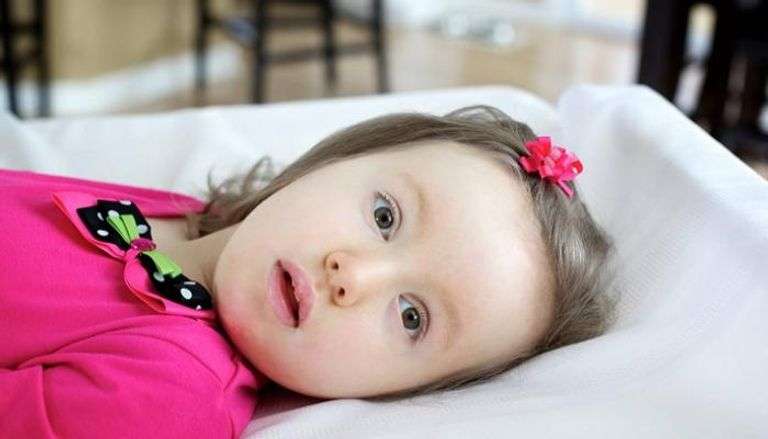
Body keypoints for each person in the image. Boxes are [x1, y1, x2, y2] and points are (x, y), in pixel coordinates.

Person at [0, 105, 618, 437]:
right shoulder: (173, 216)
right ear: (334, 161)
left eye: (412, 317)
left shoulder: (172, 394)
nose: (354, 277)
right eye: (384, 216)